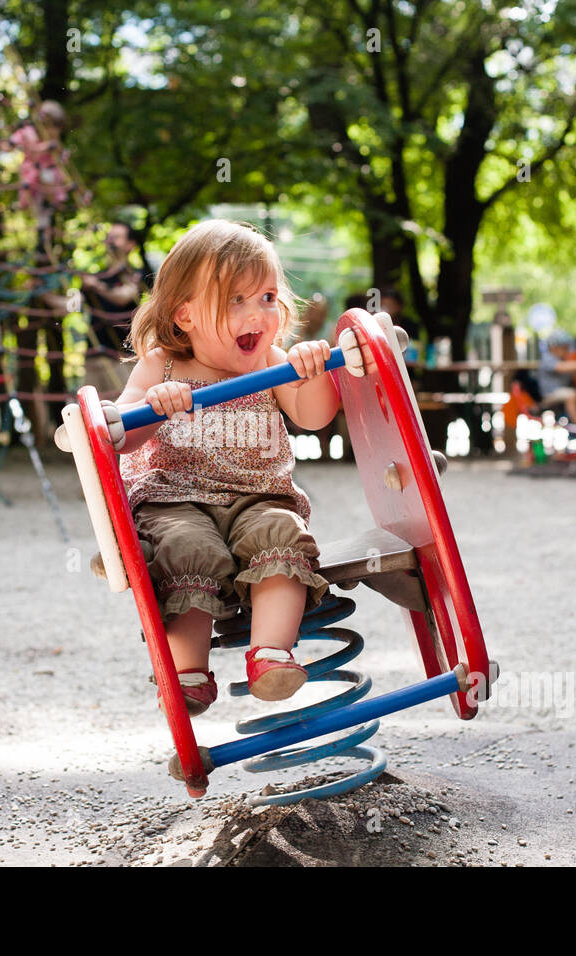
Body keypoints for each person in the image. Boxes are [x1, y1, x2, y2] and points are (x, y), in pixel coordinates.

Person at [102, 219, 342, 718]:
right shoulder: (160, 366)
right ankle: (187, 671)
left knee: (282, 532)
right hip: (174, 500)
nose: (258, 313)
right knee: (185, 550)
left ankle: (271, 654)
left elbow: (314, 416)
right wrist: (151, 402)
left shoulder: (274, 362)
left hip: (259, 496)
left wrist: (314, 372)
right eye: (237, 300)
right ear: (184, 314)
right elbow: (119, 435)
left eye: (268, 297)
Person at [80, 222, 148, 394]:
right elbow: (71, 306)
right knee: (91, 411)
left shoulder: (136, 274)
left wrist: (97, 286)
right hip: (94, 354)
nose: (110, 241)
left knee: (122, 411)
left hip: (122, 356)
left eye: (116, 237)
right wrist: (41, 293)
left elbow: (123, 297)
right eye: (109, 237)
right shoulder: (97, 276)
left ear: (130, 244)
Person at [536, 328, 576, 423]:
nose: (567, 351)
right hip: (550, 393)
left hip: (561, 391)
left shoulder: (563, 359)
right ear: (554, 347)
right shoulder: (548, 359)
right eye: (564, 348)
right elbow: (561, 368)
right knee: (571, 395)